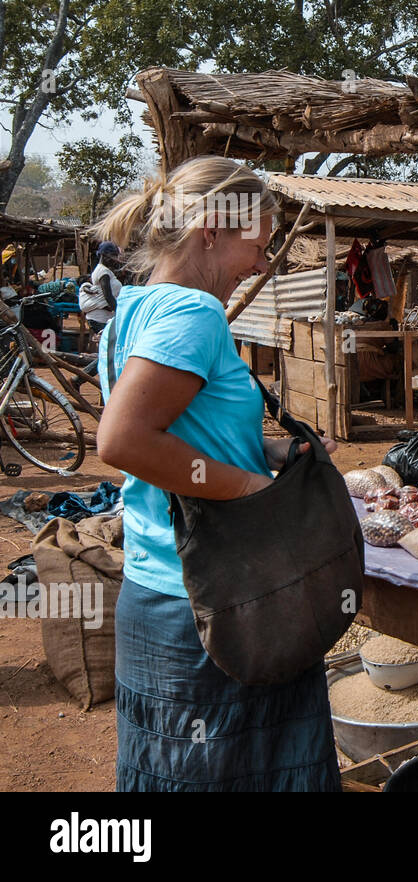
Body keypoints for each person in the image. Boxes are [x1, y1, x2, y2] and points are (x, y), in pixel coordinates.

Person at [94, 155, 342, 791]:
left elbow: (183, 437)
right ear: (211, 229)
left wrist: (276, 455)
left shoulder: (132, 311)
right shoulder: (193, 315)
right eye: (256, 246)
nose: (260, 265)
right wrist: (250, 491)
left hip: (161, 595)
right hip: (215, 602)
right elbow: (123, 440)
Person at [78, 241, 124, 333]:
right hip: (100, 318)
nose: (115, 259)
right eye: (113, 256)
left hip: (102, 317)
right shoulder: (103, 272)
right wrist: (121, 314)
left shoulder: (104, 271)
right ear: (104, 255)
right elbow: (108, 296)